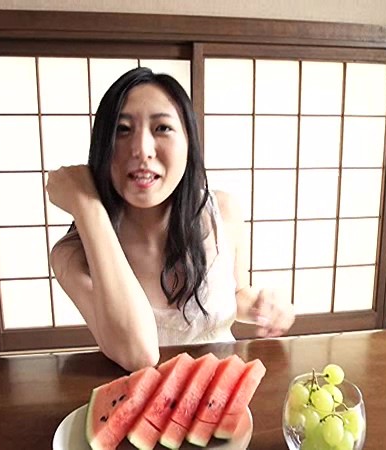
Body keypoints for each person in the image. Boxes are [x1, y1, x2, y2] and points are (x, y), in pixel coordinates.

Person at [46, 67, 294, 371]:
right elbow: (139, 355)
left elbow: (235, 293)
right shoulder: (73, 255)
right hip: (138, 395)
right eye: (122, 129)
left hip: (220, 387)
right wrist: (87, 207)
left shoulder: (222, 212)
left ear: (189, 142)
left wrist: (263, 305)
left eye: (162, 128)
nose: (142, 150)